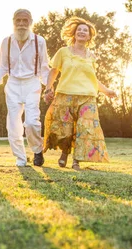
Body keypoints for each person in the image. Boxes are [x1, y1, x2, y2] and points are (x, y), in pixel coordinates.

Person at [43, 16, 116, 170]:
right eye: (79, 30)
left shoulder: (92, 56)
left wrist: (106, 91)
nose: (82, 32)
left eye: (85, 30)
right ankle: (64, 153)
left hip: (87, 97)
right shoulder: (63, 52)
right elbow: (54, 71)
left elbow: (93, 78)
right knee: (64, 128)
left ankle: (77, 160)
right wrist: (48, 88)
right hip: (65, 94)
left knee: (85, 129)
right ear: (74, 34)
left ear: (89, 36)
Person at [0, 9, 50, 167]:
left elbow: (44, 68)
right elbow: (3, 67)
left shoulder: (40, 41)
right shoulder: (7, 41)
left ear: (31, 22)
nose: (21, 24)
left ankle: (37, 150)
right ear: (13, 22)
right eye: (18, 20)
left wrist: (49, 87)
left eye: (25, 21)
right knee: (13, 123)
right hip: (12, 85)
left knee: (32, 122)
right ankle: (21, 158)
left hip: (32, 83)